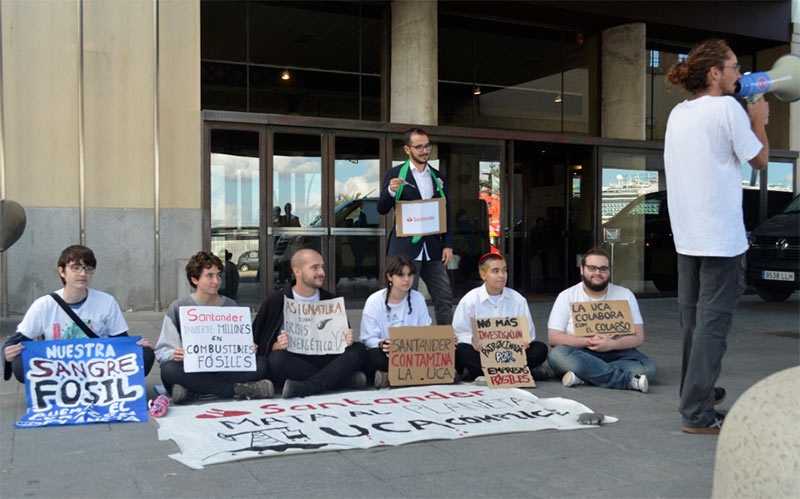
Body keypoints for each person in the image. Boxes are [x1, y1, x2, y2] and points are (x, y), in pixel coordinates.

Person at [664, 39, 769, 434]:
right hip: (721, 238)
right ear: (714, 73)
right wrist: (758, 116)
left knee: (692, 321)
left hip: (688, 235)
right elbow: (758, 160)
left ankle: (695, 393)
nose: (739, 75)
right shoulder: (727, 107)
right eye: (734, 67)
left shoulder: (678, 113)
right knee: (713, 324)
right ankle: (697, 412)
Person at [3, 245, 155, 382]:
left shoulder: (106, 301)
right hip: (59, 368)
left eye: (88, 268)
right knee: (19, 362)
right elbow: (16, 341)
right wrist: (7, 352)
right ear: (62, 271)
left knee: (145, 354)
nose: (83, 273)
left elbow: (121, 341)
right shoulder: (44, 305)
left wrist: (137, 346)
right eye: (75, 267)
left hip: (99, 367)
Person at [154, 251, 273, 403]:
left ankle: (194, 391)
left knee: (261, 364)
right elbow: (162, 351)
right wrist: (173, 354)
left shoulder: (231, 306)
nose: (216, 281)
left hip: (224, 369)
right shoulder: (179, 307)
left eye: (218, 275)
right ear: (194, 279)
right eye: (209, 275)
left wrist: (249, 350)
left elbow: (243, 344)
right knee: (169, 370)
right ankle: (238, 390)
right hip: (192, 368)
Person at [252, 249, 367, 398]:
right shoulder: (275, 300)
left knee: (359, 349)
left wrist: (347, 340)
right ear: (297, 271)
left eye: (322, 267)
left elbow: (343, 336)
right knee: (276, 360)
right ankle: (341, 380)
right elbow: (256, 342)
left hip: (326, 358)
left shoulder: (330, 300)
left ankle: (306, 387)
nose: (321, 273)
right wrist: (275, 346)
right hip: (296, 360)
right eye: (315, 267)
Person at [547, 247, 656, 392]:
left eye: (603, 269)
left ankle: (584, 377)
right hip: (581, 351)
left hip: (618, 352)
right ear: (582, 270)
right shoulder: (566, 296)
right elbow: (554, 338)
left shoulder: (625, 294)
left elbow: (638, 337)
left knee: (648, 367)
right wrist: (590, 341)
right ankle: (626, 380)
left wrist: (612, 344)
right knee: (557, 355)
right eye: (592, 268)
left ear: (609, 271)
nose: (598, 273)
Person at [377, 127, 454, 326]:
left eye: (427, 145)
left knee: (444, 297)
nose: (424, 150)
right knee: (405, 299)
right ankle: (407, 347)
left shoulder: (438, 177)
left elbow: (446, 212)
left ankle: (446, 345)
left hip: (433, 248)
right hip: (405, 249)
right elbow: (382, 208)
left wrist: (448, 244)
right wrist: (391, 192)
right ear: (407, 149)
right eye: (418, 147)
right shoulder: (395, 174)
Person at [452, 252, 548, 382]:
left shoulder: (518, 300)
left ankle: (482, 373)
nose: (501, 276)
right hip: (482, 353)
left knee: (540, 349)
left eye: (504, 270)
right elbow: (459, 333)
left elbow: (529, 334)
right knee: (461, 352)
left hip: (511, 353)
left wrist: (524, 342)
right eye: (495, 271)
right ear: (483, 274)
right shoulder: (470, 300)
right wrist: (473, 340)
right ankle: (518, 371)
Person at [360, 255, 432, 388]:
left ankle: (390, 377)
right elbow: (368, 337)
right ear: (390, 277)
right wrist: (382, 344)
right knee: (370, 356)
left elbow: (426, 330)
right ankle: (406, 376)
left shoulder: (418, 298)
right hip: (386, 352)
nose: (406, 279)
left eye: (410, 275)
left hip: (413, 352)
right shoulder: (374, 301)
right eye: (401, 275)